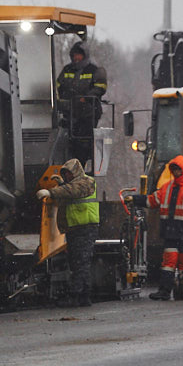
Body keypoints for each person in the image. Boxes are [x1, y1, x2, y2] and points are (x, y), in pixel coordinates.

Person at [136, 155, 183, 301]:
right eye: (174, 169)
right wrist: (135, 199)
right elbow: (152, 200)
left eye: (178, 169)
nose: (176, 172)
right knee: (168, 262)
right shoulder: (166, 188)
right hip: (171, 232)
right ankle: (165, 290)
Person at [36, 157, 99, 307]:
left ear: (76, 172)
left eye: (69, 174)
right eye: (65, 174)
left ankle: (75, 296)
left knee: (80, 263)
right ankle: (84, 296)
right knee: (79, 263)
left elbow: (74, 191)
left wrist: (51, 192)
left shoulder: (87, 182)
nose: (67, 176)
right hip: (76, 229)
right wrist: (62, 185)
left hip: (85, 228)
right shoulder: (72, 184)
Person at [55, 41, 108, 167]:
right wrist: (59, 100)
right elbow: (58, 86)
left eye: (79, 55)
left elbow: (100, 88)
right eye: (74, 55)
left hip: (88, 113)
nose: (76, 58)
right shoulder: (67, 69)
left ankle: (81, 162)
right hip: (69, 112)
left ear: (85, 55)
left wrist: (86, 98)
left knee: (83, 143)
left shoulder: (95, 70)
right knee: (65, 140)